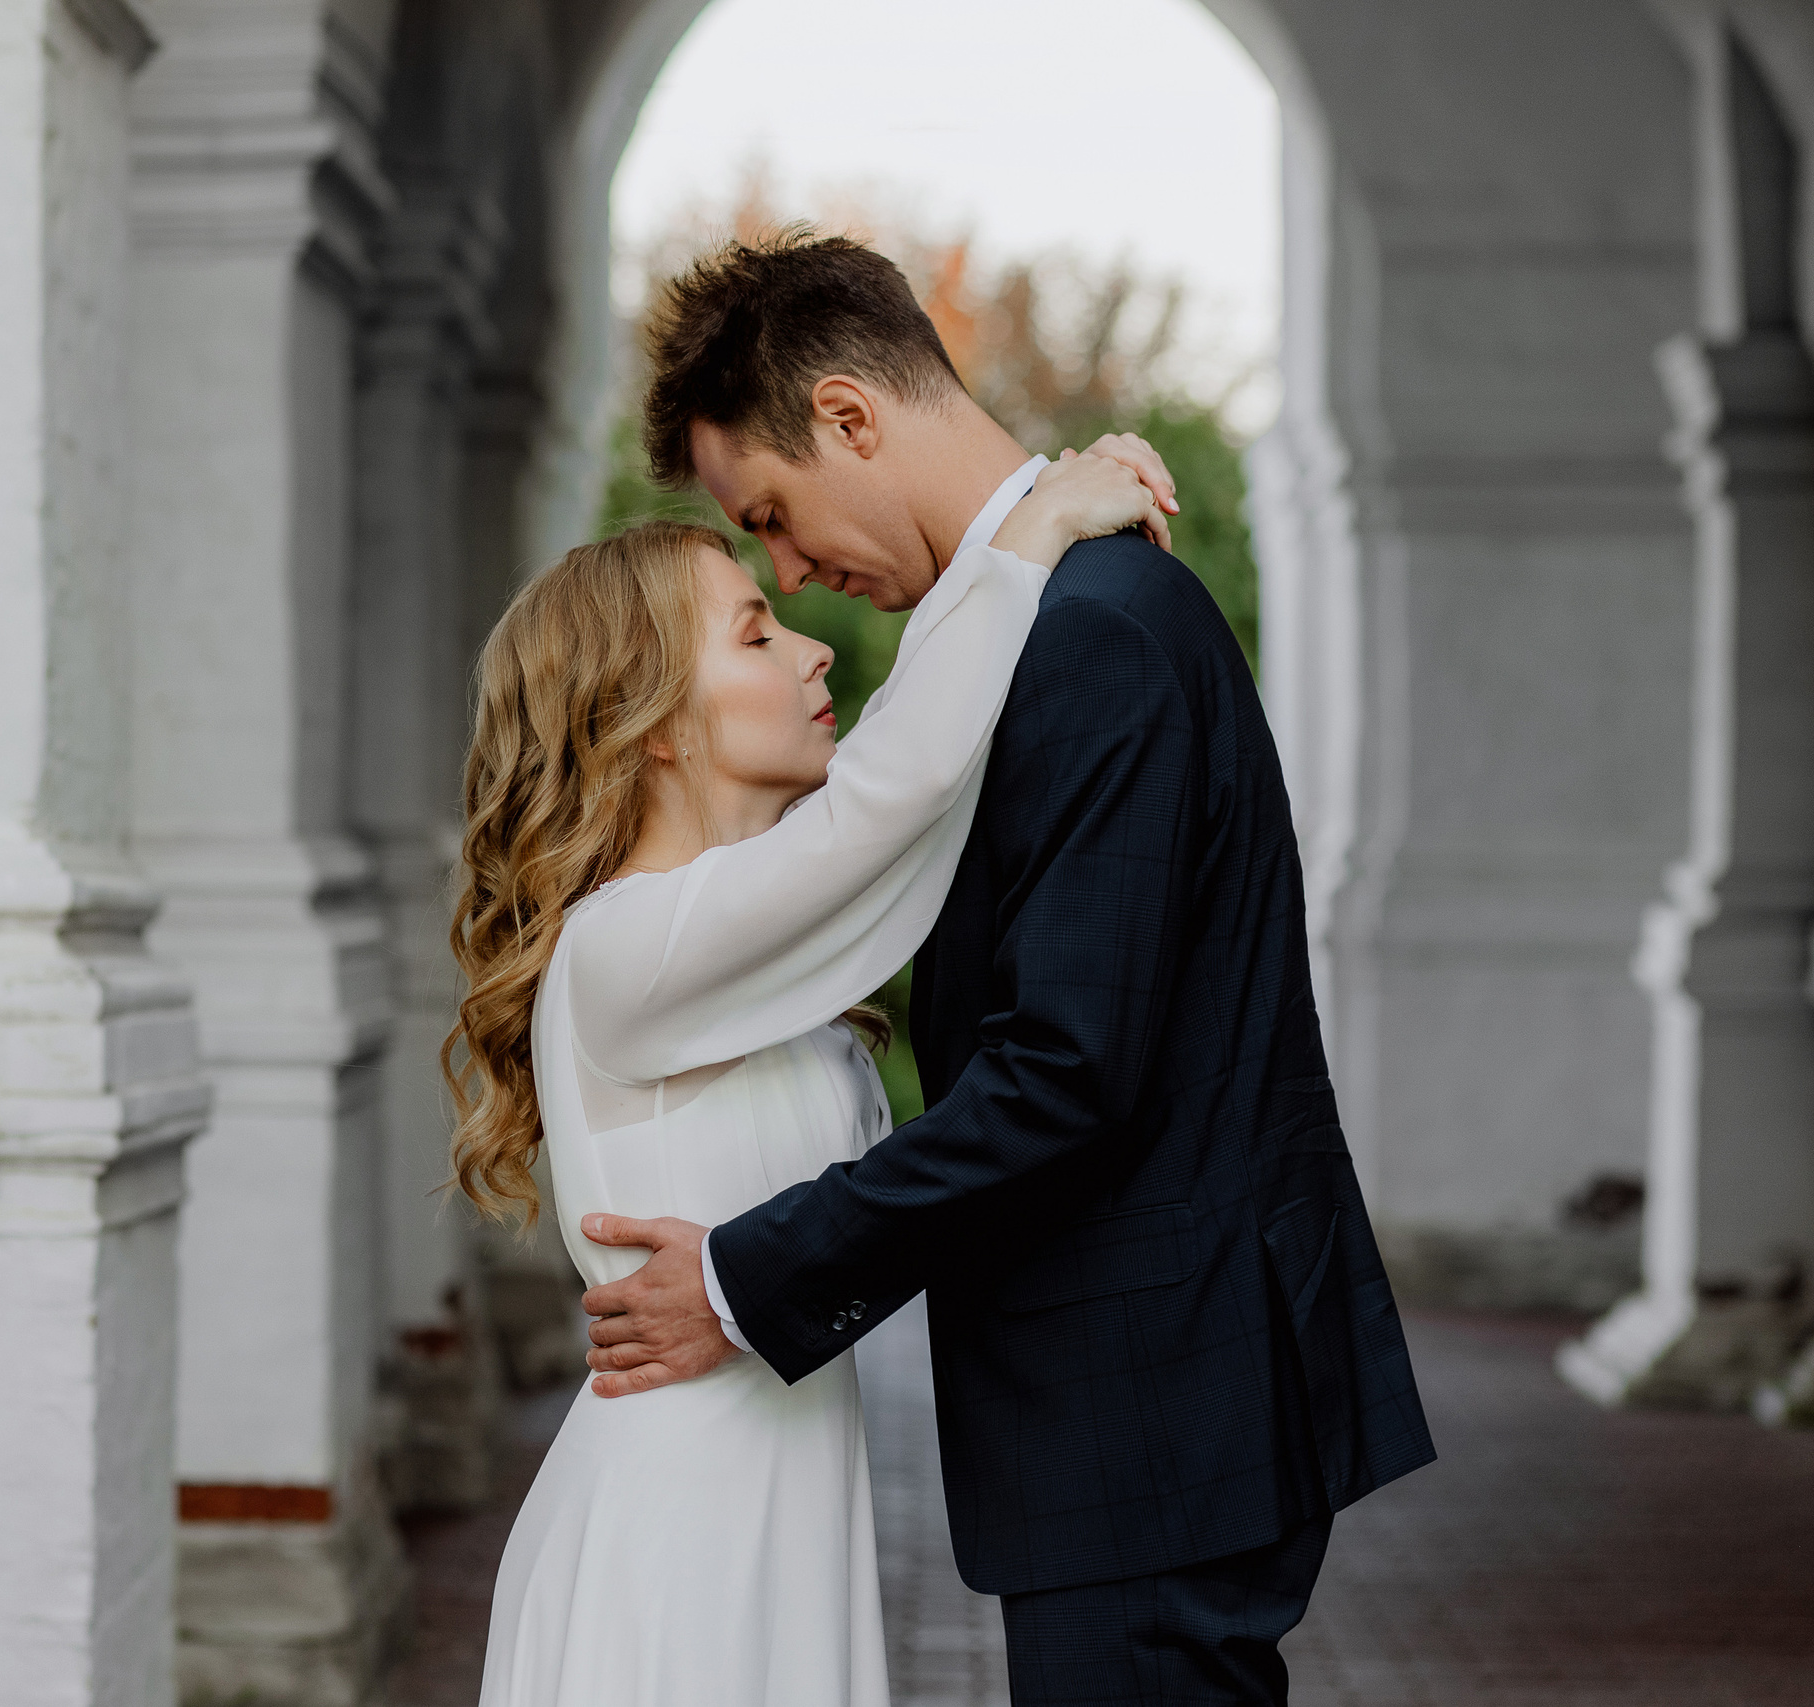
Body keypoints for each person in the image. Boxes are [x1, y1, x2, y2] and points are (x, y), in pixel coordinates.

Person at [574, 232, 1436, 1705]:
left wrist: (733, 1278)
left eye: (773, 517)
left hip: (1154, 1403)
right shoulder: (1044, 623)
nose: (788, 567)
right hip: (1157, 1401)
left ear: (851, 416)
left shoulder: (1087, 636)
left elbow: (1064, 1074)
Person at [446, 430, 1171, 1705]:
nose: (814, 646)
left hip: (781, 1522)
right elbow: (893, 792)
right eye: (753, 636)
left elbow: (896, 810)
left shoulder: (747, 958)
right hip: (674, 1557)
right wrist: (1035, 524)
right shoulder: (624, 950)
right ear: (649, 724)